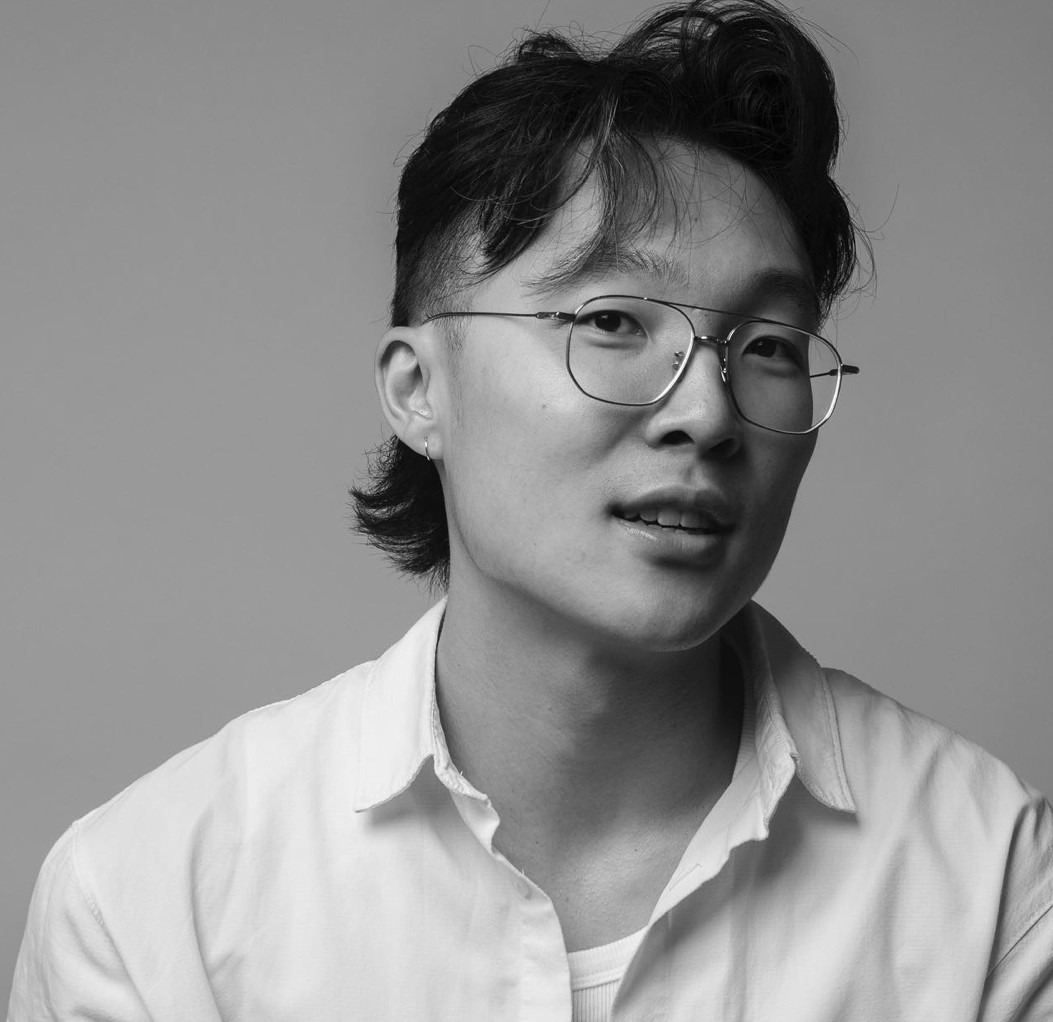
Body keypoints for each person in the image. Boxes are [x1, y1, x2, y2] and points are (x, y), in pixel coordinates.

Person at [9, 0, 1052, 1018]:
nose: (705, 410)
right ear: (421, 388)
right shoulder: (153, 903)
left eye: (769, 345)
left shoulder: (987, 871)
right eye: (610, 319)